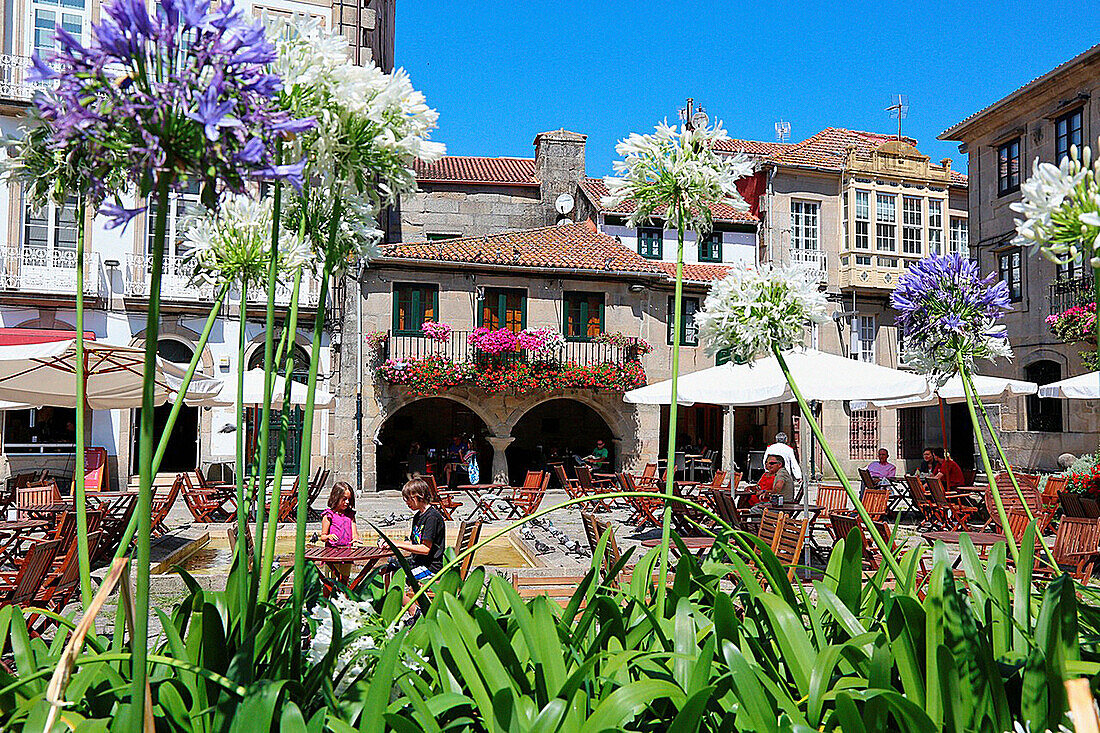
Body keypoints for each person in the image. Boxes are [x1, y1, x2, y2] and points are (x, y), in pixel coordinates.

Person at [388, 478, 446, 583]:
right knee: (389, 568)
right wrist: (391, 543)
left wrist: (398, 544)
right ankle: (389, 598)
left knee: (401, 578)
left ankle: (401, 599)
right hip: (417, 562)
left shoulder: (432, 518)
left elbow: (425, 549)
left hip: (430, 568)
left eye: (408, 499)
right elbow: (414, 543)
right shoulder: (418, 516)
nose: (407, 503)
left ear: (419, 496)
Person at [319, 481, 360, 583]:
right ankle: (327, 598)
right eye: (344, 499)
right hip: (332, 554)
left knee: (345, 580)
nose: (347, 502)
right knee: (330, 582)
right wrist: (329, 536)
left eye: (349, 500)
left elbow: (355, 534)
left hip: (346, 553)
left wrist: (355, 540)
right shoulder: (329, 515)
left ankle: (344, 598)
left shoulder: (350, 515)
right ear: (336, 497)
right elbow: (322, 537)